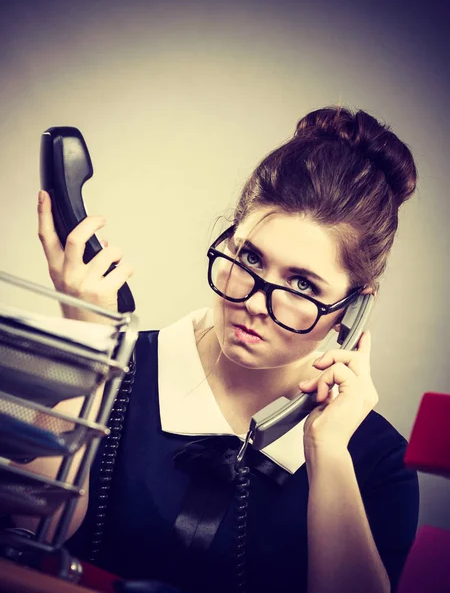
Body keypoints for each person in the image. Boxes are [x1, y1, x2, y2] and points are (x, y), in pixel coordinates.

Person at [35, 106, 419, 593]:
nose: (255, 303)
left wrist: (327, 451)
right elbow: (31, 536)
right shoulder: (110, 367)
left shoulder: (381, 463)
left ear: (352, 308)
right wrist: (87, 352)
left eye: (302, 284)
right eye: (250, 257)